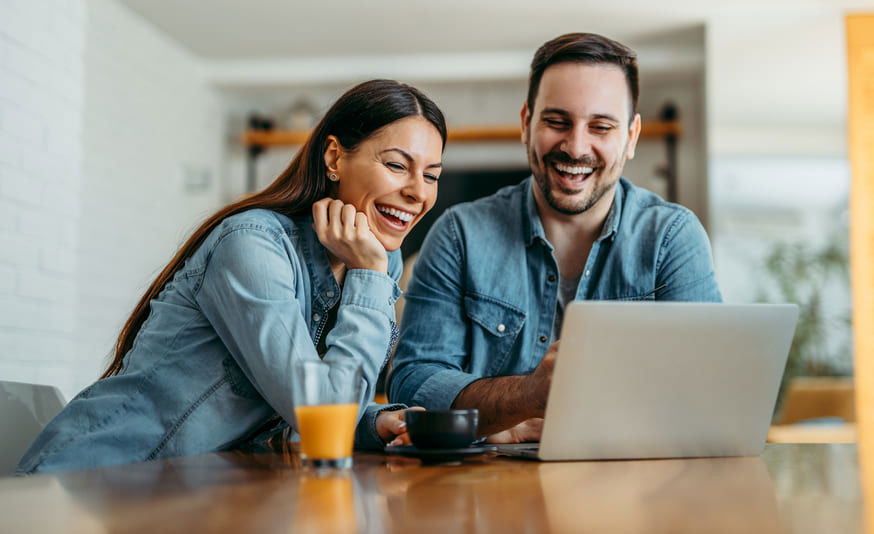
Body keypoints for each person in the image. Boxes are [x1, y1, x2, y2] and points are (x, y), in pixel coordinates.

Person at [16, 79, 446, 474]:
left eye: (431, 175)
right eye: (396, 165)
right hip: (91, 482)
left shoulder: (371, 261)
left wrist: (379, 421)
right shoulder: (254, 245)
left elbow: (309, 398)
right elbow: (319, 412)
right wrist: (369, 277)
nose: (418, 192)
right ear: (334, 157)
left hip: (185, 491)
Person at [387, 33, 722, 443]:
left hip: (634, 496)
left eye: (601, 126)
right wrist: (527, 396)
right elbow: (413, 383)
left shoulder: (673, 238)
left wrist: (499, 420)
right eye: (557, 121)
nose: (576, 146)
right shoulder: (459, 235)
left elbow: (706, 393)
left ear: (631, 137)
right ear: (527, 124)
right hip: (485, 497)